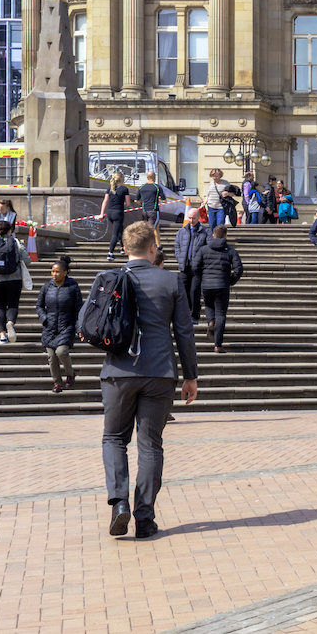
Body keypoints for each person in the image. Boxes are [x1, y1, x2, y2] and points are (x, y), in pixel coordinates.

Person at [100, 220, 198, 539]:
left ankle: (119, 505)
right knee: (150, 444)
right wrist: (190, 376)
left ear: (125, 248)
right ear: (152, 247)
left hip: (119, 371)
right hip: (159, 371)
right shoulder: (170, 281)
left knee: (115, 438)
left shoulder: (110, 277)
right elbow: (184, 331)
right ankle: (145, 518)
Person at [194, 223, 244, 352]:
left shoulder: (203, 249)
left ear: (213, 235)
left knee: (209, 306)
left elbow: (195, 266)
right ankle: (218, 345)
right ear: (225, 236)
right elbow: (239, 269)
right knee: (221, 314)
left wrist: (202, 277)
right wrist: (230, 281)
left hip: (207, 285)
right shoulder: (231, 251)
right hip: (222, 285)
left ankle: (210, 322)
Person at [0, 221, 32, 343]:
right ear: (10, 230)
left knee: (0, 307)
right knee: (13, 305)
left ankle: (2, 335)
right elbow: (27, 260)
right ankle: (10, 322)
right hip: (14, 278)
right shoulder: (17, 244)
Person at [38, 254, 82, 393]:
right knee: (51, 356)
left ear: (65, 272)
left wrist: (79, 326)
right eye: (52, 271)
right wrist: (43, 318)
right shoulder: (46, 287)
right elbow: (39, 306)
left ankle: (70, 373)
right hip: (49, 327)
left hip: (66, 326)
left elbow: (79, 308)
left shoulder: (73, 287)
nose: (54, 274)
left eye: (57, 272)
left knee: (61, 351)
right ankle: (57, 383)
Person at [173, 208, 209, 323]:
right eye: (189, 218)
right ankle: (186, 312)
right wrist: (179, 258)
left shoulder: (205, 231)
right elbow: (177, 246)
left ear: (198, 218)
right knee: (183, 290)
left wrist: (201, 262)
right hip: (185, 266)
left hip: (197, 269)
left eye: (193, 218)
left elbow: (209, 247)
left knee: (195, 291)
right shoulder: (182, 231)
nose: (191, 220)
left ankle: (194, 315)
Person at [101, 177, 134, 263]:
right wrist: (122, 203)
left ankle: (123, 248)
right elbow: (128, 203)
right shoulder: (124, 189)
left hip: (109, 212)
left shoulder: (110, 188)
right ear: (121, 180)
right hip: (118, 212)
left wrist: (101, 214)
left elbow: (105, 201)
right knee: (115, 233)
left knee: (120, 229)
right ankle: (110, 253)